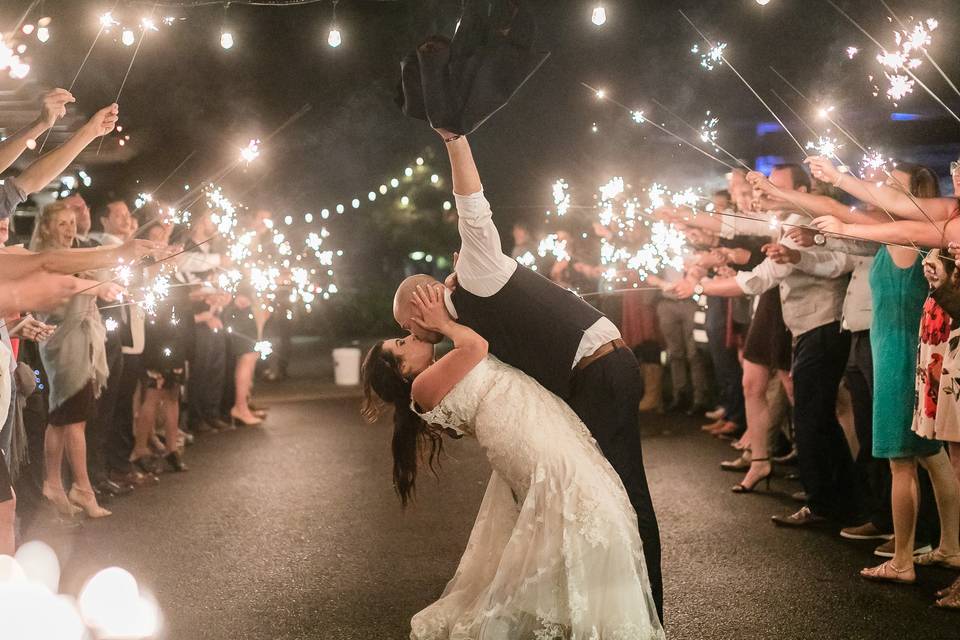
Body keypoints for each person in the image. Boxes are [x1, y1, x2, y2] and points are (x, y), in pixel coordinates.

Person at [391, 128, 663, 620]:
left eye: (404, 325)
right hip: (584, 377)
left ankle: (648, 618)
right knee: (594, 499)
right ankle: (588, 610)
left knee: (620, 496)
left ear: (419, 305)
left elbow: (472, 205)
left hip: (601, 368)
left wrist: (456, 142)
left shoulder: (476, 272)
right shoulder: (463, 316)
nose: (410, 332)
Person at [363, 284, 664, 638]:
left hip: (530, 425)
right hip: (527, 436)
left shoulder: (436, 371)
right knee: (589, 513)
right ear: (401, 372)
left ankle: (587, 618)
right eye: (400, 345)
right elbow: (477, 347)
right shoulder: (421, 389)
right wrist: (442, 322)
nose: (408, 337)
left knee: (588, 515)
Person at [30, 202, 122, 519]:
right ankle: (82, 488)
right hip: (63, 344)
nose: (70, 230)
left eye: (72, 223)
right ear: (46, 229)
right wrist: (95, 284)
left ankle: (53, 482)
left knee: (61, 416)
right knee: (75, 417)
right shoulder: (47, 261)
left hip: (79, 344)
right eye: (62, 224)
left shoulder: (75, 258)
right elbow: (62, 292)